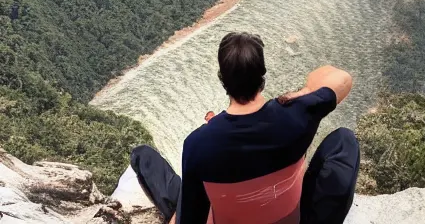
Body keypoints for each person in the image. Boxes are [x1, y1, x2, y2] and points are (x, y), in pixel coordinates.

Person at [129, 32, 359, 224]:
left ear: (223, 80)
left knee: (142, 156)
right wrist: (305, 93)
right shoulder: (298, 112)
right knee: (344, 140)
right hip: (292, 217)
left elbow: (193, 216)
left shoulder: (198, 144)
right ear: (262, 78)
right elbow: (342, 78)